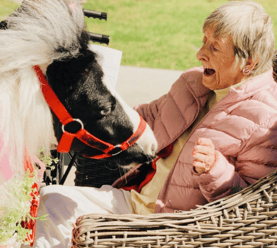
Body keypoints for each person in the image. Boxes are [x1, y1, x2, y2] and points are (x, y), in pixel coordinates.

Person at [24, 1, 277, 247]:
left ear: (249, 63)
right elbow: (146, 118)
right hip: (137, 201)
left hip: (177, 227)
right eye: (203, 42)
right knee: (53, 200)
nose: (200, 54)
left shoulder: (266, 119)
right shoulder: (193, 82)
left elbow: (253, 208)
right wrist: (99, 111)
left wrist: (215, 170)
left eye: (214, 48)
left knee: (86, 231)